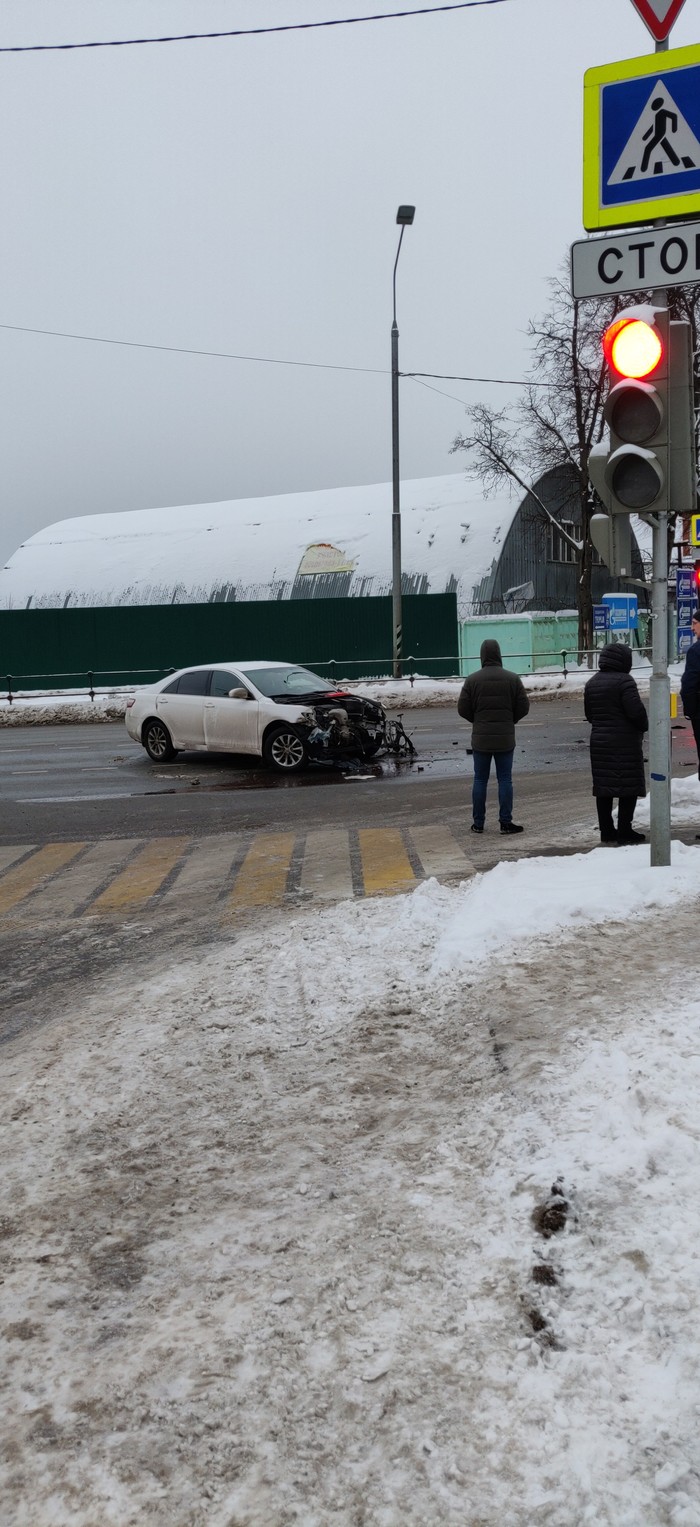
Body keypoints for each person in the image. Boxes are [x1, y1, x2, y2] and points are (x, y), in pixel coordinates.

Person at [457, 639, 530, 834]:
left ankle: (478, 824)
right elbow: (524, 707)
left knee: (480, 780)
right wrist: (509, 720)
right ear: (499, 654)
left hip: (480, 739)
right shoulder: (512, 679)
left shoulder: (472, 680)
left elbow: (462, 709)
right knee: (505, 779)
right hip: (505, 739)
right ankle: (506, 823)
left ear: (482, 655)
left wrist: (478, 720)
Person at [583, 642, 648, 846]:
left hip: (600, 742)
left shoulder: (592, 682)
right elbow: (636, 712)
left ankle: (607, 831)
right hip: (625, 742)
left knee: (604, 788)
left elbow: (589, 714)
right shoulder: (625, 682)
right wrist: (642, 725)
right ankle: (625, 830)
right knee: (628, 787)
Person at [680, 609, 700, 778]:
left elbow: (689, 685)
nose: (692, 629)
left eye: (695, 624)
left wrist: (691, 712)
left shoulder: (696, 651)